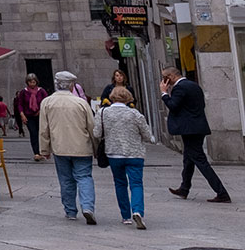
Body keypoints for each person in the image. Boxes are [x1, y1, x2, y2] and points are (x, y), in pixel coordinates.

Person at [162, 67, 230, 203]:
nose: (163, 80)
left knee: (200, 160)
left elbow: (173, 105)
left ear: (171, 76)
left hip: (190, 129)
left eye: (164, 77)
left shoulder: (179, 88)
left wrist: (164, 93)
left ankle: (221, 192)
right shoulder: (194, 85)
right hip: (198, 127)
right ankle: (184, 188)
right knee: (188, 159)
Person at [39, 71, 98, 224]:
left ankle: (70, 211)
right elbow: (92, 127)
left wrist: (44, 149)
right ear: (72, 85)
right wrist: (96, 147)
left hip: (60, 147)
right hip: (82, 147)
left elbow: (43, 129)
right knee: (84, 177)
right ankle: (87, 207)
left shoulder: (47, 102)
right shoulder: (81, 103)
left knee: (65, 180)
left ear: (56, 84)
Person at [94, 86, 155, 228]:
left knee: (120, 183)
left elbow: (97, 133)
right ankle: (138, 211)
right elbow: (147, 135)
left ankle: (126, 216)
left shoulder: (103, 113)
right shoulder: (135, 114)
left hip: (114, 154)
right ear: (128, 98)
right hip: (134, 153)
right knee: (136, 184)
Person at [19, 74, 48, 160]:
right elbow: (20, 104)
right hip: (29, 116)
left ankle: (42, 151)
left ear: (36, 82)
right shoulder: (24, 92)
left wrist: (40, 111)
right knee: (33, 133)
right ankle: (36, 153)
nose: (32, 84)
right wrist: (22, 114)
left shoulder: (41, 91)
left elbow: (46, 102)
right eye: (30, 82)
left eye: (33, 82)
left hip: (39, 115)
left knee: (41, 133)